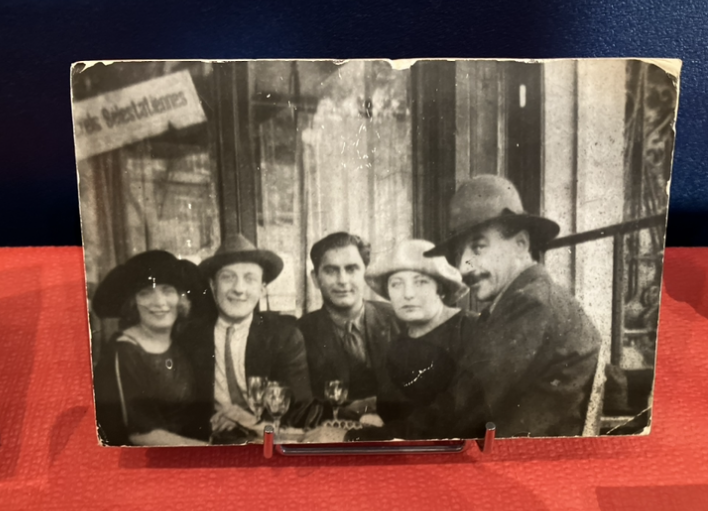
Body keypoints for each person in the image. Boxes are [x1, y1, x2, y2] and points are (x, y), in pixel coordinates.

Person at [425, 174, 603, 438]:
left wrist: (386, 433)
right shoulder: (528, 299)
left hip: (526, 458)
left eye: (478, 248)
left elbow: (466, 408)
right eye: (460, 254)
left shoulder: (530, 304)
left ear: (521, 244)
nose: (463, 268)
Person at [304, 240, 488, 443]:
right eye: (396, 284)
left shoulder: (473, 330)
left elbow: (441, 421)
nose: (408, 294)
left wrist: (351, 436)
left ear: (441, 287)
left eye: (420, 282)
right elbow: (399, 414)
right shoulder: (399, 343)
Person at [182, 234, 313, 443]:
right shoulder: (190, 337)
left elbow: (299, 409)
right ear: (213, 285)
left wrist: (245, 421)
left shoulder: (283, 336)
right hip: (210, 442)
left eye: (250, 278)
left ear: (262, 289)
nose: (239, 289)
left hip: (266, 440)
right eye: (228, 277)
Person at [92, 250, 208, 446]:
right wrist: (211, 451)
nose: (159, 302)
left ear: (180, 299)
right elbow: (141, 435)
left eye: (167, 290)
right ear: (133, 303)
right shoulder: (124, 352)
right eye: (145, 293)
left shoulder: (182, 344)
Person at [297, 232, 401, 418]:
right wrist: (346, 412)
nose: (342, 281)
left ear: (366, 274)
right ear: (315, 279)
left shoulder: (398, 318)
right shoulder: (299, 333)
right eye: (331, 271)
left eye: (351, 269)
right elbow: (299, 406)